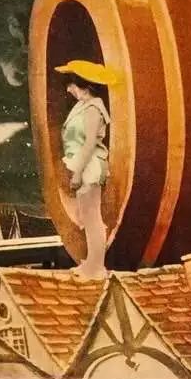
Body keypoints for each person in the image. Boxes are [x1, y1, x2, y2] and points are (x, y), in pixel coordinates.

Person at [55, 60, 117, 280]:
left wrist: (79, 172)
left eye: (71, 84)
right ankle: (92, 262)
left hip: (90, 166)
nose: (68, 89)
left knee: (92, 217)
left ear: (83, 85)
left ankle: (97, 267)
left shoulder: (93, 109)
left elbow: (90, 143)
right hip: (83, 164)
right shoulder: (82, 106)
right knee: (86, 216)